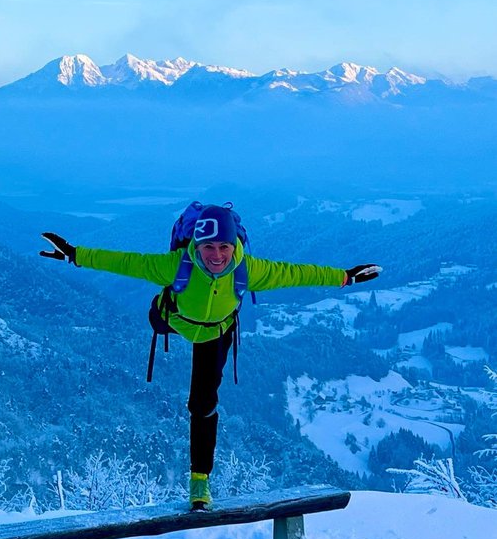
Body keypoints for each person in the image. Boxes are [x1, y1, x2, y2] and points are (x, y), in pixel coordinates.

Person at [40, 203, 380, 510]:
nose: (216, 255)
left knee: (202, 404)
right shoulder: (176, 266)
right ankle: (163, 314)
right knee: (156, 318)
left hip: (215, 333)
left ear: (235, 246)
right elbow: (126, 262)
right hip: (174, 320)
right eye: (208, 247)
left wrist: (345, 277)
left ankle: (199, 484)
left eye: (224, 247)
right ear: (196, 246)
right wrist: (75, 254)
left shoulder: (250, 270)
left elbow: (297, 273)